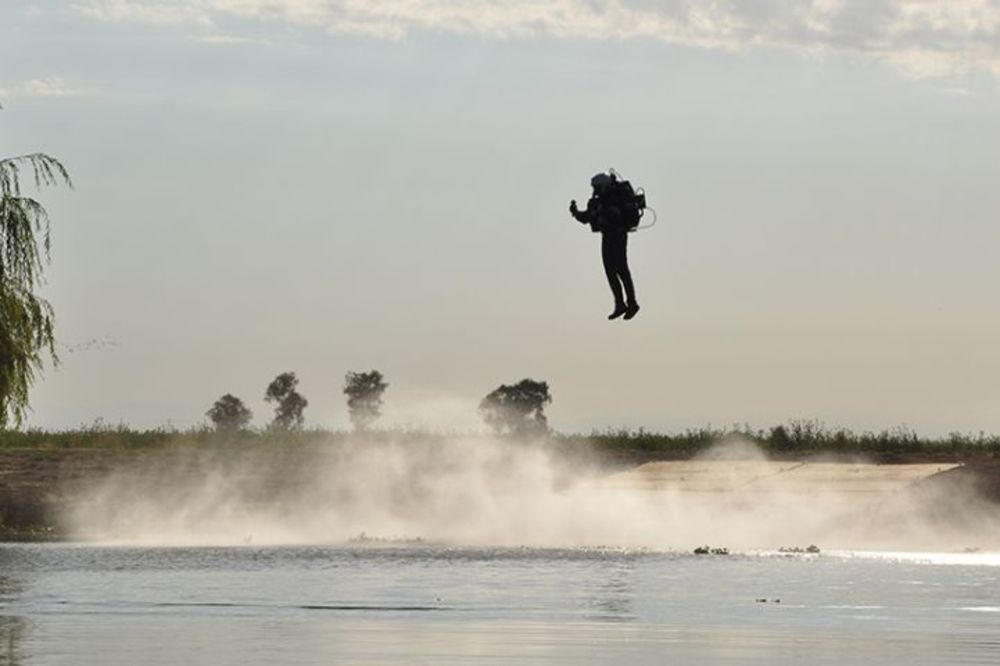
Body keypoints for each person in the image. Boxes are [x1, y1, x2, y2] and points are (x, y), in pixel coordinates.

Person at [570, 172, 639, 320]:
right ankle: (620, 304)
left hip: (618, 236)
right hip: (607, 237)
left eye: (597, 187)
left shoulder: (614, 199)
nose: (595, 190)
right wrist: (576, 213)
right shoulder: (597, 202)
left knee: (621, 269)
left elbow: (614, 216)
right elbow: (587, 217)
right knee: (610, 271)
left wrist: (604, 214)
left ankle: (631, 303)